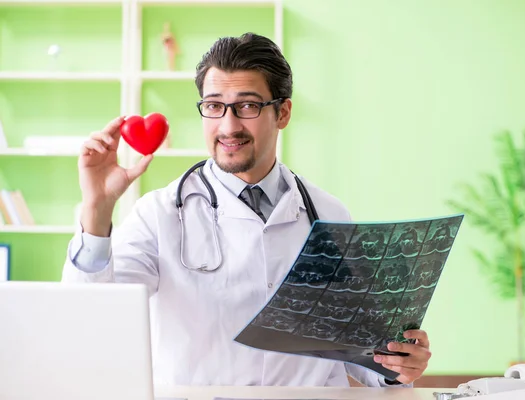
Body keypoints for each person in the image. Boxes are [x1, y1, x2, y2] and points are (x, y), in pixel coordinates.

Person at [62, 32, 431, 387]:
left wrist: (397, 364)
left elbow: (359, 347)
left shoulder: (328, 213)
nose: (228, 125)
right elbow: (92, 319)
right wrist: (97, 208)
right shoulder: (159, 214)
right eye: (214, 106)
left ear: (283, 112)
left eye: (248, 105)